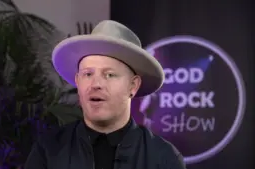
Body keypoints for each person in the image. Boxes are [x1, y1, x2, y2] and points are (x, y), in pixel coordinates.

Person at [24, 20, 186, 169]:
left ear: (133, 85)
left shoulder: (163, 157)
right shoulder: (48, 149)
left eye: (109, 75)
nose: (96, 84)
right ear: (78, 81)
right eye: (88, 74)